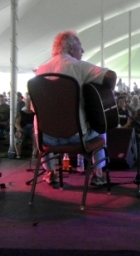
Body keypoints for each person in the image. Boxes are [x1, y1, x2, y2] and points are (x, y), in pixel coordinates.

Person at [34, 30, 117, 185]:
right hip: (77, 137)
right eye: (81, 47)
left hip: (47, 139)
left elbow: (34, 109)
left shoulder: (39, 71)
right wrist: (105, 95)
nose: (83, 51)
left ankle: (50, 171)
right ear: (71, 49)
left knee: (38, 121)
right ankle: (98, 173)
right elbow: (111, 76)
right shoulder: (78, 66)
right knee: (100, 127)